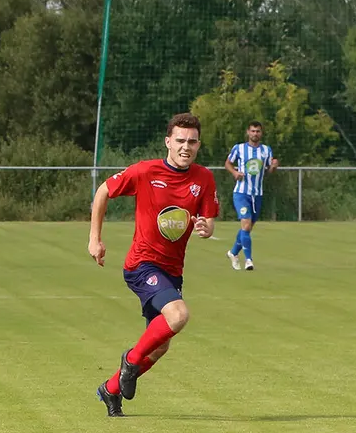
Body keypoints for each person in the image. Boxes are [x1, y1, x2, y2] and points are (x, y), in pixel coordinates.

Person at [88, 113, 219, 417]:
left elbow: (209, 221)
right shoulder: (146, 171)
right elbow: (104, 190)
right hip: (142, 265)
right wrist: (95, 239)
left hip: (172, 271)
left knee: (160, 346)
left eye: (192, 141)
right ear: (168, 142)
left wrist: (206, 228)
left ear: (199, 144)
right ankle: (130, 361)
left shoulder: (204, 178)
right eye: (180, 141)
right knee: (179, 315)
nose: (186, 147)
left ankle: (109, 390)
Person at [224, 121, 278, 272]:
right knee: (246, 225)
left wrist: (273, 166)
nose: (255, 134)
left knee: (247, 229)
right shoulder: (239, 148)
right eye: (253, 131)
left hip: (257, 194)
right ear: (248, 132)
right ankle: (248, 259)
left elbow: (268, 170)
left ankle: (233, 253)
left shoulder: (266, 150)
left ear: (261, 133)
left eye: (258, 131)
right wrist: (235, 173)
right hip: (241, 193)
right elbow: (228, 163)